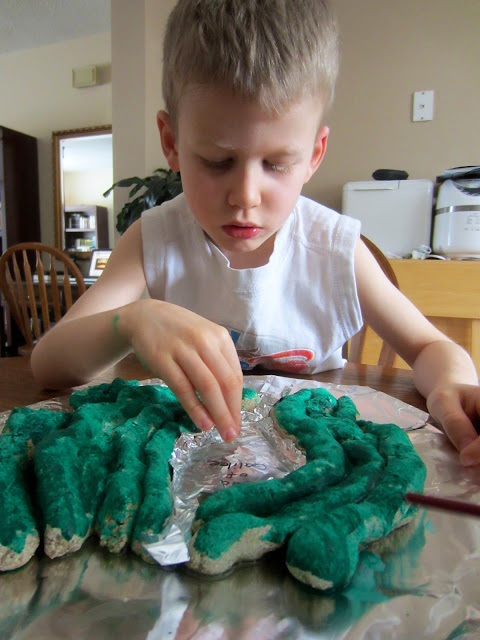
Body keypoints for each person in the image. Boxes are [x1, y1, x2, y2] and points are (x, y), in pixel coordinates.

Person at [32, 0, 480, 465]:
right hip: (190, 462)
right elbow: (48, 364)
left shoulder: (334, 249)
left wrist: (452, 384)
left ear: (314, 154)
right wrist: (132, 319)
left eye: (277, 163)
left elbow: (430, 347)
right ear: (171, 142)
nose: (245, 196)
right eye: (217, 161)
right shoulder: (156, 240)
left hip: (319, 460)